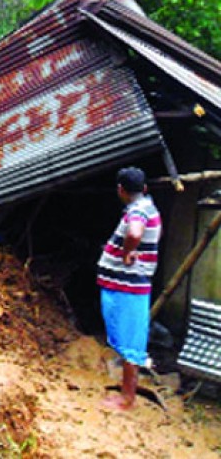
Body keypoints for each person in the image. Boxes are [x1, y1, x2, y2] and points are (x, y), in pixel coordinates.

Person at [97, 166, 162, 411]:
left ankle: (127, 399)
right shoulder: (148, 207)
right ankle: (127, 395)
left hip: (129, 287)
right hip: (127, 285)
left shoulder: (138, 211)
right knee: (128, 339)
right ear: (144, 188)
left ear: (121, 190)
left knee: (130, 342)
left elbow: (134, 232)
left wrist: (126, 253)